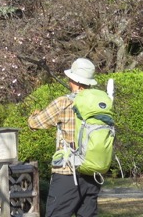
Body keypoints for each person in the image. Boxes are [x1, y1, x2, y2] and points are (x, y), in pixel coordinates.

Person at [28, 57, 101, 217]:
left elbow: (37, 123)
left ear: (73, 80)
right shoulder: (101, 104)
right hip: (93, 171)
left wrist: (32, 116)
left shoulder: (64, 103)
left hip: (68, 171)